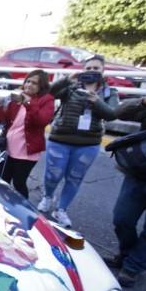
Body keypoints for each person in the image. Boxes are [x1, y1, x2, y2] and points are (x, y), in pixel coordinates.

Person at [37, 55, 118, 227]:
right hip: (60, 139)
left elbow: (112, 114)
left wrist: (97, 102)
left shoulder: (109, 92)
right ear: (83, 70)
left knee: (74, 178)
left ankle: (61, 209)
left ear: (103, 71)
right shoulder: (71, 87)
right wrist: (67, 80)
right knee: (53, 175)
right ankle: (48, 196)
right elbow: (47, 93)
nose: (92, 71)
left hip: (89, 144)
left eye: (96, 68)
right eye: (88, 68)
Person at [103, 67, 146, 288]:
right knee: (122, 219)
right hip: (139, 173)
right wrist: (144, 103)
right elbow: (117, 112)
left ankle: (133, 266)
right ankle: (127, 253)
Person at [0, 69, 54, 199]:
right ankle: (4, 205)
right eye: (28, 81)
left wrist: (29, 103)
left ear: (41, 86)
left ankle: (23, 211)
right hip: (9, 148)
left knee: (19, 182)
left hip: (27, 152)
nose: (29, 85)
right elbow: (4, 121)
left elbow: (42, 120)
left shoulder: (46, 100)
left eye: (34, 83)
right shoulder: (17, 97)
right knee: (4, 180)